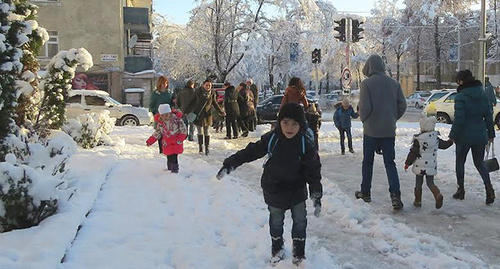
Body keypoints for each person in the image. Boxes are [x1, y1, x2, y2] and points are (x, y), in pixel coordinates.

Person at [216, 102, 322, 266]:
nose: (289, 127)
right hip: (274, 188)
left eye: (294, 123)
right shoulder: (272, 138)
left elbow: (313, 170)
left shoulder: (305, 143)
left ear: (300, 125)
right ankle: (277, 248)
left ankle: (298, 252)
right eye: (285, 122)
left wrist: (316, 193)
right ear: (279, 122)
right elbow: (251, 151)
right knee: (276, 221)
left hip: (296, 189)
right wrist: (231, 163)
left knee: (300, 221)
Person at [355, 54, 407, 210]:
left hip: (371, 131)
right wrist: (392, 118)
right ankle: (395, 196)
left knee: (368, 162)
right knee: (390, 163)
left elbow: (365, 108)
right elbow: (402, 105)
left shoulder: (367, 84)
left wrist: (364, 119)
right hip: (389, 131)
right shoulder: (394, 83)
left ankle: (366, 192)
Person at [449, 70, 496, 204]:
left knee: (460, 162)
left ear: (462, 81)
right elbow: (488, 115)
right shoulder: (483, 94)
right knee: (479, 163)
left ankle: (461, 190)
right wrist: (491, 134)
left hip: (463, 137)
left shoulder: (460, 97)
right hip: (480, 136)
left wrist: (452, 136)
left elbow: (459, 120)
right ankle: (489, 189)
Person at [404, 116, 453, 209]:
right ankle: (437, 195)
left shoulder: (419, 139)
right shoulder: (435, 138)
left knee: (418, 183)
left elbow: (413, 153)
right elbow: (444, 145)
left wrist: (407, 163)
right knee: (430, 183)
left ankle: (417, 201)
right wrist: (451, 141)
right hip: (431, 166)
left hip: (419, 166)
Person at [184, 79, 225, 155]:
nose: (208, 87)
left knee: (207, 132)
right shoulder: (198, 92)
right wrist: (186, 111)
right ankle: (200, 147)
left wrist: (221, 111)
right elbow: (191, 101)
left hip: (207, 115)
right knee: (200, 131)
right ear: (203, 85)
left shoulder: (212, 93)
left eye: (209, 85)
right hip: (199, 114)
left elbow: (215, 103)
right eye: (206, 85)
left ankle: (207, 147)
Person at [146, 104, 187, 173]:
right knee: (169, 156)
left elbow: (183, 130)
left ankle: (174, 170)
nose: (165, 117)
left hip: (176, 141)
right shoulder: (161, 123)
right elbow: (158, 132)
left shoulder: (177, 120)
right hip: (167, 142)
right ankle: (169, 169)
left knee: (174, 157)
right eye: (163, 116)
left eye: (166, 115)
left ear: (170, 113)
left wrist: (180, 138)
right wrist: (151, 140)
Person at [149, 76, 176, 154]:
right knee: (160, 132)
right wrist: (155, 113)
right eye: (163, 83)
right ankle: (161, 149)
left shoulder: (169, 92)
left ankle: (167, 147)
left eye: (166, 83)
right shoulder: (156, 93)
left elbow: (173, 102)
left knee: (168, 132)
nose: (165, 85)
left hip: (168, 116)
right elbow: (151, 104)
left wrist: (174, 102)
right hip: (159, 115)